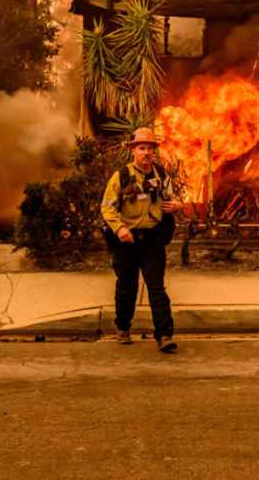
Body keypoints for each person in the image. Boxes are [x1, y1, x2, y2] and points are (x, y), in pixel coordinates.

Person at [101, 128, 182, 352]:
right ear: (133, 151)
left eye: (150, 148)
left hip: (153, 240)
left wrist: (177, 206)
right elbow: (107, 207)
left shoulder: (161, 175)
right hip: (127, 241)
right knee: (127, 286)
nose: (147, 152)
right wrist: (119, 229)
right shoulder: (121, 176)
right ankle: (123, 328)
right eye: (142, 148)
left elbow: (172, 198)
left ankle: (164, 335)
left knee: (157, 287)